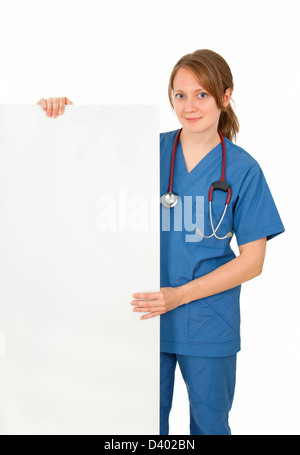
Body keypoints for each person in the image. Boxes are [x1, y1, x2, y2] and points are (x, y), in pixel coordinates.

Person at [37, 49, 285, 435]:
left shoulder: (243, 169)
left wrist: (180, 296)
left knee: (210, 425)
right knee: (140, 428)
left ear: (225, 96)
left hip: (207, 323)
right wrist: (63, 118)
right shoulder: (145, 151)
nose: (189, 106)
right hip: (142, 319)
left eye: (202, 94)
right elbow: (80, 168)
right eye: (180, 95)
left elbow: (252, 262)